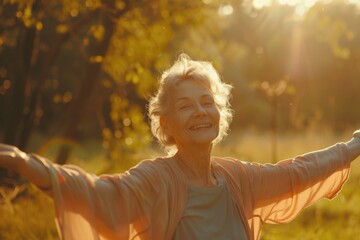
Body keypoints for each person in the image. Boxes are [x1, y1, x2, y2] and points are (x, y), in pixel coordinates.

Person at [1, 53, 360, 240]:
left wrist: (352, 146)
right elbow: (101, 194)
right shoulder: (157, 180)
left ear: (220, 112)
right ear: (166, 123)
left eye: (207, 102)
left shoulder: (237, 179)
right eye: (186, 105)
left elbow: (296, 173)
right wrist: (29, 166)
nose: (201, 112)